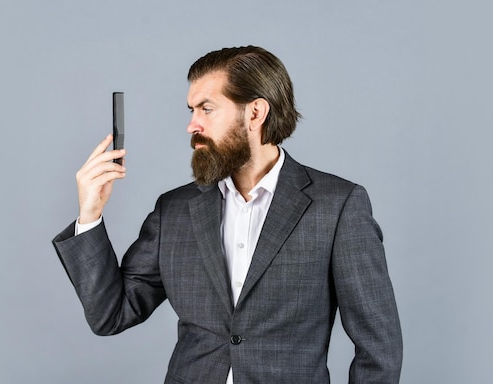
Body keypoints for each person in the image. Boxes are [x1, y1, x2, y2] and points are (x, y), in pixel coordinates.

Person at [52, 46, 403, 383]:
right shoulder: (173, 211)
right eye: (191, 110)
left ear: (254, 113)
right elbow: (110, 315)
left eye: (206, 109)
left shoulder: (338, 206)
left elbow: (379, 347)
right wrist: (90, 213)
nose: (192, 125)